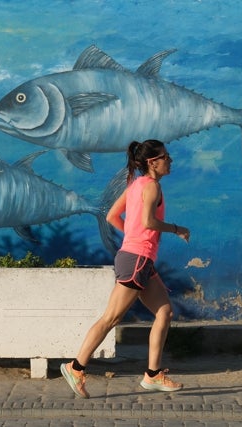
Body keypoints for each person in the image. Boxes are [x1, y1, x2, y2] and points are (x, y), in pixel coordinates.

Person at [60, 139, 191, 398]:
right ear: (153, 162)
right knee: (111, 318)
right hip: (137, 259)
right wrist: (177, 229)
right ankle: (76, 368)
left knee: (165, 312)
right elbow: (149, 221)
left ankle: (153, 375)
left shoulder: (135, 185)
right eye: (166, 157)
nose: (171, 161)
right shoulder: (151, 186)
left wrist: (132, 237)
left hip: (137, 258)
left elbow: (112, 216)